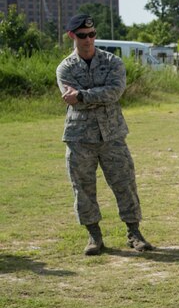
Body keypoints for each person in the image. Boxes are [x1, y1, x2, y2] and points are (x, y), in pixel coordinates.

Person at [56, 13, 154, 256]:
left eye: (91, 35)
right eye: (82, 36)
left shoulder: (113, 62)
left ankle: (134, 232)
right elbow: (72, 98)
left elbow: (115, 92)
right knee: (83, 187)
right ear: (72, 36)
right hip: (80, 138)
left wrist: (82, 95)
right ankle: (94, 236)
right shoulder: (65, 68)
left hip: (112, 135)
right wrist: (85, 97)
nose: (88, 40)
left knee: (125, 184)